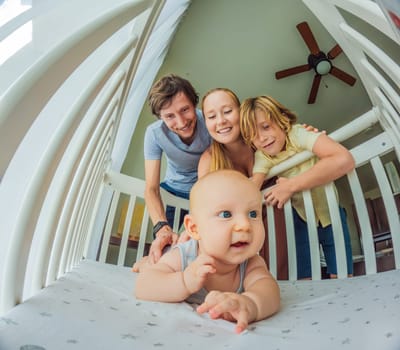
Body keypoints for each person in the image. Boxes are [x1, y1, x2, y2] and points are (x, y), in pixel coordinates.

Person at [135, 170, 280, 334]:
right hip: (172, 254)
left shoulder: (251, 263)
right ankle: (146, 261)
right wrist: (184, 280)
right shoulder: (184, 257)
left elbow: (269, 291)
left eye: (253, 214)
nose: (244, 224)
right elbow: (143, 285)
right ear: (194, 228)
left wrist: (250, 303)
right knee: (153, 264)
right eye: (226, 214)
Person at [240, 95, 355, 279]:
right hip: (301, 220)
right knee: (304, 278)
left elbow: (344, 159)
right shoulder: (264, 156)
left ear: (282, 120)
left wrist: (291, 186)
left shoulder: (299, 134)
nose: (262, 138)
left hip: (332, 214)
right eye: (253, 135)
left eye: (266, 127)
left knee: (342, 275)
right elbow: (254, 185)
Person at [142, 74, 211, 264]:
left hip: (206, 193)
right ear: (160, 117)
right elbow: (151, 189)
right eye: (170, 116)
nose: (181, 122)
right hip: (173, 190)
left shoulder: (209, 121)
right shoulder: (154, 134)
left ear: (194, 103)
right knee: (162, 251)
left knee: (202, 252)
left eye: (185, 110)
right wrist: (161, 227)